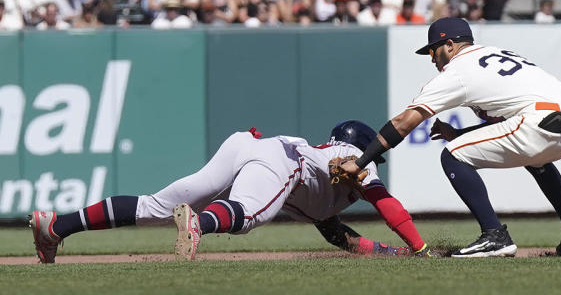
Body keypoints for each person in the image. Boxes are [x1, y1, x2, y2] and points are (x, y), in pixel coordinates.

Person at [340, 17, 561, 258]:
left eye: (433, 51)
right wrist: (459, 133)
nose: (432, 60)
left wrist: (360, 162)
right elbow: (511, 119)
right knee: (536, 158)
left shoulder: (457, 70)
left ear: (450, 46)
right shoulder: (493, 52)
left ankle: (495, 236)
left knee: (452, 155)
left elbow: (403, 123)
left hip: (541, 122)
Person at [29, 121, 433, 263]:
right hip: (279, 159)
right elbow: (386, 202)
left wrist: (391, 253)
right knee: (248, 214)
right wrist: (418, 247)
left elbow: (337, 235)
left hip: (247, 145)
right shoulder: (354, 158)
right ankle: (199, 225)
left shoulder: (325, 195)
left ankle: (56, 227)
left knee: (155, 206)